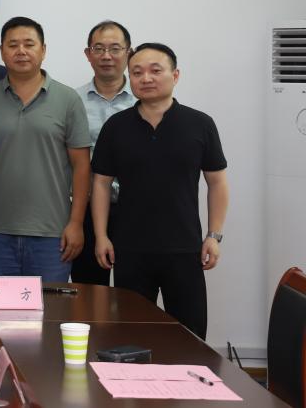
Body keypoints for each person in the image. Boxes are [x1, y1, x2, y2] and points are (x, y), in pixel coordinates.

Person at [92, 43, 229, 340]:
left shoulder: (200, 124)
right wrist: (102, 235)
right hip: (129, 249)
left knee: (190, 336)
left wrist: (214, 235)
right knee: (130, 336)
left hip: (185, 248)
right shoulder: (116, 127)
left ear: (175, 75)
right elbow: (101, 183)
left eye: (156, 71)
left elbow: (217, 182)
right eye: (137, 72)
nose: (146, 78)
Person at [0, 17, 91, 281]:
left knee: (50, 306)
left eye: (29, 44)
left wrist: (76, 223)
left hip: (52, 233)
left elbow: (82, 166)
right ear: (1, 50)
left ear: (43, 50)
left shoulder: (68, 99)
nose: (21, 51)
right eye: (13, 45)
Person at [70, 20, 135, 286]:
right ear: (88, 54)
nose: (107, 56)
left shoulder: (144, 101)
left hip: (133, 210)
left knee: (133, 291)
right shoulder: (72, 101)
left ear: (129, 53)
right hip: (84, 210)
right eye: (99, 48)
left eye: (115, 48)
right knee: (88, 291)